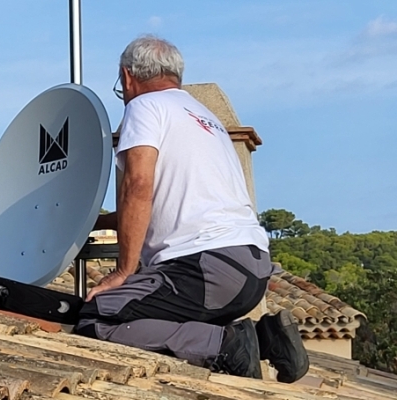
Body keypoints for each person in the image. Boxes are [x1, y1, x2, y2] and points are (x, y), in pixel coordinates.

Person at [74, 35, 309, 383]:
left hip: (204, 268)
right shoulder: (203, 116)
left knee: (95, 318)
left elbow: (138, 187)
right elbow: (156, 203)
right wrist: (91, 221)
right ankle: (263, 337)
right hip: (251, 269)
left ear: (127, 78)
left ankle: (226, 344)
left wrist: (123, 271)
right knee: (165, 319)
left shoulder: (144, 106)